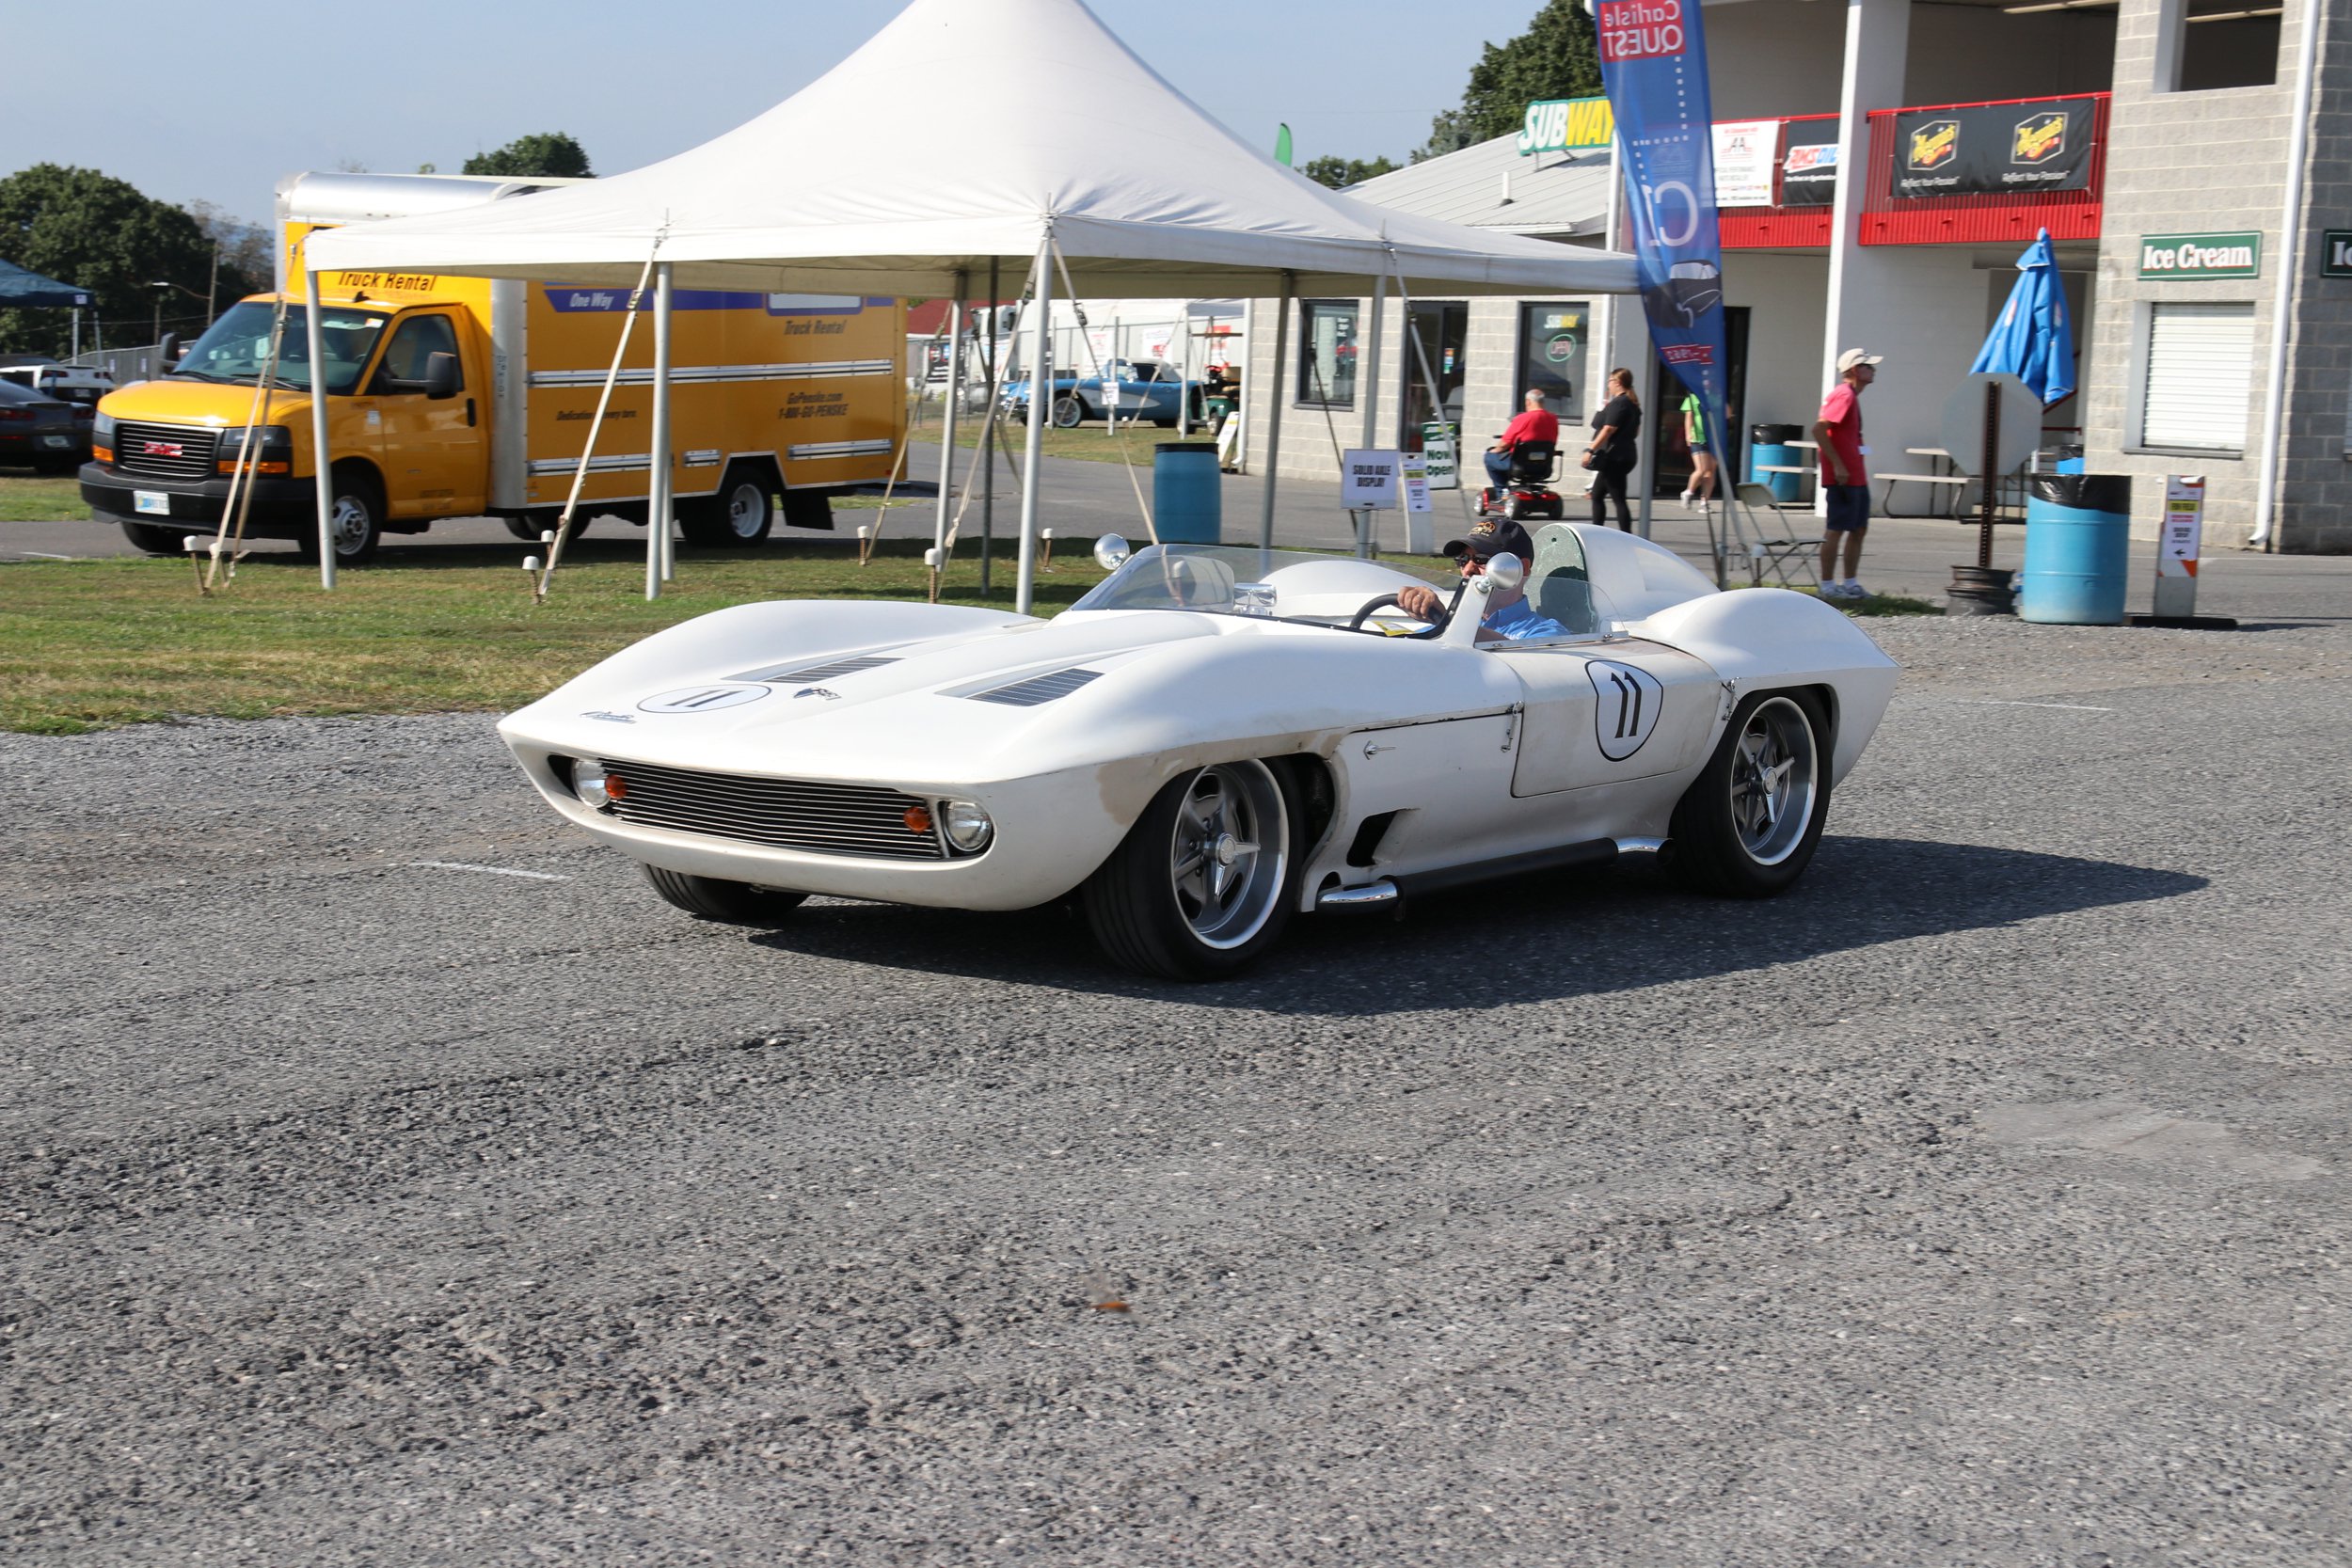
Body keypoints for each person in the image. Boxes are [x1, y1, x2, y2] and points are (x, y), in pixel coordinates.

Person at [1393, 520, 1565, 642]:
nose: (1467, 570)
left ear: (1522, 567)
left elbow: (1522, 656)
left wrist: (1446, 623)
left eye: (1481, 559)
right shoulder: (1437, 626)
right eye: (1463, 559)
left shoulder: (1546, 632)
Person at [1812, 347, 1881, 599]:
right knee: (1836, 529)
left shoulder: (1852, 395)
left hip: (1856, 475)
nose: (1873, 370)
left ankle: (1851, 584)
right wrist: (1838, 465)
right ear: (1853, 370)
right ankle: (1828, 586)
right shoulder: (1844, 395)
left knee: (1859, 529)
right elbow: (1819, 430)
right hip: (1843, 477)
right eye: (1867, 366)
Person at [1583, 368, 1642, 531]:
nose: (1608, 385)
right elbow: (1636, 431)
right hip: (1626, 455)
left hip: (1615, 457)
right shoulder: (1631, 404)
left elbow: (1608, 429)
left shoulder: (1620, 403)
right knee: (1597, 495)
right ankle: (1599, 530)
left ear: (1617, 382)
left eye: (1609, 381)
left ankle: (1624, 535)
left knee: (1618, 498)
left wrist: (1590, 450)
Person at [1484, 388, 1561, 497]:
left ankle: (1501, 492)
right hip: (1543, 466)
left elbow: (1504, 444)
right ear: (1542, 402)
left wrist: (1493, 451)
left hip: (1519, 465)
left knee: (1489, 457)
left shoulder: (1522, 418)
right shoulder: (1553, 419)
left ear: (1528, 402)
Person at [1678, 389, 1718, 509]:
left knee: (1710, 471)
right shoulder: (1692, 397)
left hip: (1712, 438)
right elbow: (1689, 416)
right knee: (1701, 469)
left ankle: (1705, 502)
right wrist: (1688, 435)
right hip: (1698, 437)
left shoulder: (1713, 396)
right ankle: (1688, 492)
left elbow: (1726, 413)